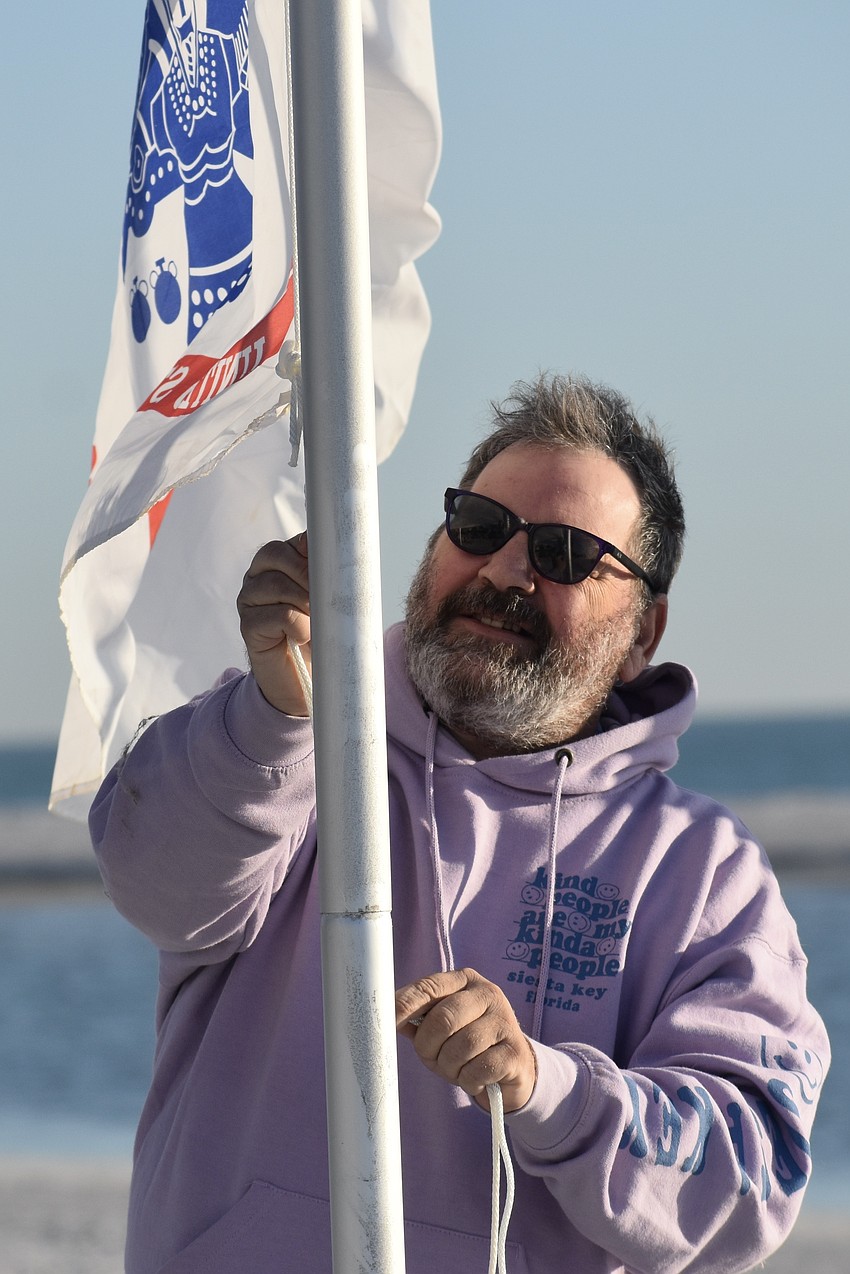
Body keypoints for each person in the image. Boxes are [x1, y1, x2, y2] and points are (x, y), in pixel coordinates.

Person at [91, 375, 829, 1274]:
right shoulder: (283, 744)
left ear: (644, 631)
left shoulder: (702, 871)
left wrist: (546, 1087)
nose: (507, 571)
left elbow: (752, 1179)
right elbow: (150, 883)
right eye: (480, 527)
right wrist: (274, 715)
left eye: (563, 553)